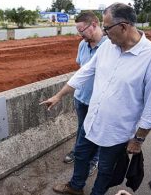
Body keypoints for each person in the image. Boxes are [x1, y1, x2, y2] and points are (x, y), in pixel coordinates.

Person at [40, 3, 151, 195]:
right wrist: (59, 95)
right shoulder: (107, 47)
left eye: (107, 28)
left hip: (117, 130)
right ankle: (75, 187)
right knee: (82, 155)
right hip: (92, 120)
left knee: (106, 168)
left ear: (124, 27)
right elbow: (85, 72)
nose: (105, 33)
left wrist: (138, 139)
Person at [63, 11, 107, 178]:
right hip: (81, 98)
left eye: (82, 30)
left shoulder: (110, 46)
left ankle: (94, 160)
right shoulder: (83, 44)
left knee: (95, 132)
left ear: (94, 25)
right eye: (78, 31)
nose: (79, 34)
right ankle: (77, 151)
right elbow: (80, 69)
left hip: (99, 101)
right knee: (82, 127)